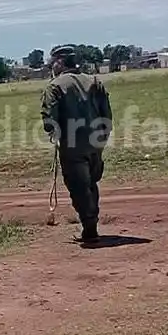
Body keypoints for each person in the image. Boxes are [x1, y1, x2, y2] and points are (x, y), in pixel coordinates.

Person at [40, 45, 113, 243]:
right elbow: (107, 113)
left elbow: (48, 120)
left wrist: (54, 131)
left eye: (52, 63)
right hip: (97, 141)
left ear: (60, 62)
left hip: (73, 144)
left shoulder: (55, 86)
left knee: (79, 186)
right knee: (90, 182)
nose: (51, 67)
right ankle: (92, 223)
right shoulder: (95, 81)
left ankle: (90, 228)